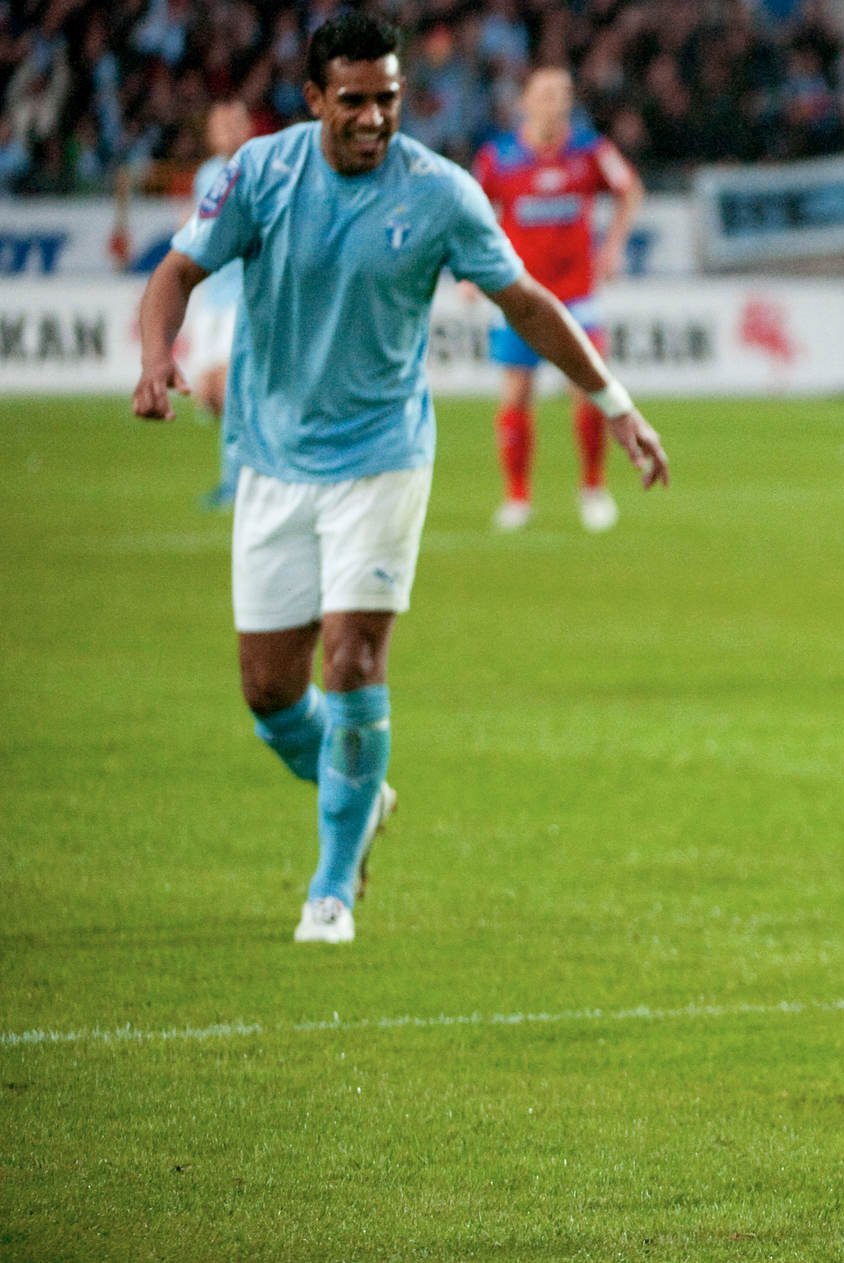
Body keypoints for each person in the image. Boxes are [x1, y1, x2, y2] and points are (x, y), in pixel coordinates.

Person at [132, 11, 668, 945]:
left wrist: (616, 402)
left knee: (353, 662)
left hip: (382, 459)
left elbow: (530, 306)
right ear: (314, 100)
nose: (375, 118)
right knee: (269, 694)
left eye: (387, 98)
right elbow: (176, 272)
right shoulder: (263, 174)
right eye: (354, 101)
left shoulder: (441, 193)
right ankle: (359, 790)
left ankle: (330, 888)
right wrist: (154, 357)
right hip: (272, 458)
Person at [474, 66, 645, 533]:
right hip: (520, 296)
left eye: (565, 94)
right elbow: (472, 211)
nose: (558, 102)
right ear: (525, 101)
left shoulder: (590, 151)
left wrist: (611, 248)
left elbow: (630, 191)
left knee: (590, 390)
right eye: (547, 93)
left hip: (577, 294)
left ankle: (593, 487)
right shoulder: (499, 157)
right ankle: (517, 496)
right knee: (516, 393)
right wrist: (471, 270)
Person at [181, 100, 253, 509]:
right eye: (219, 125)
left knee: (229, 390)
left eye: (233, 124)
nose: (226, 132)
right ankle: (241, 470)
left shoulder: (255, 170)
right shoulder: (207, 174)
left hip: (242, 294)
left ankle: (236, 479)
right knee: (206, 395)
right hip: (212, 295)